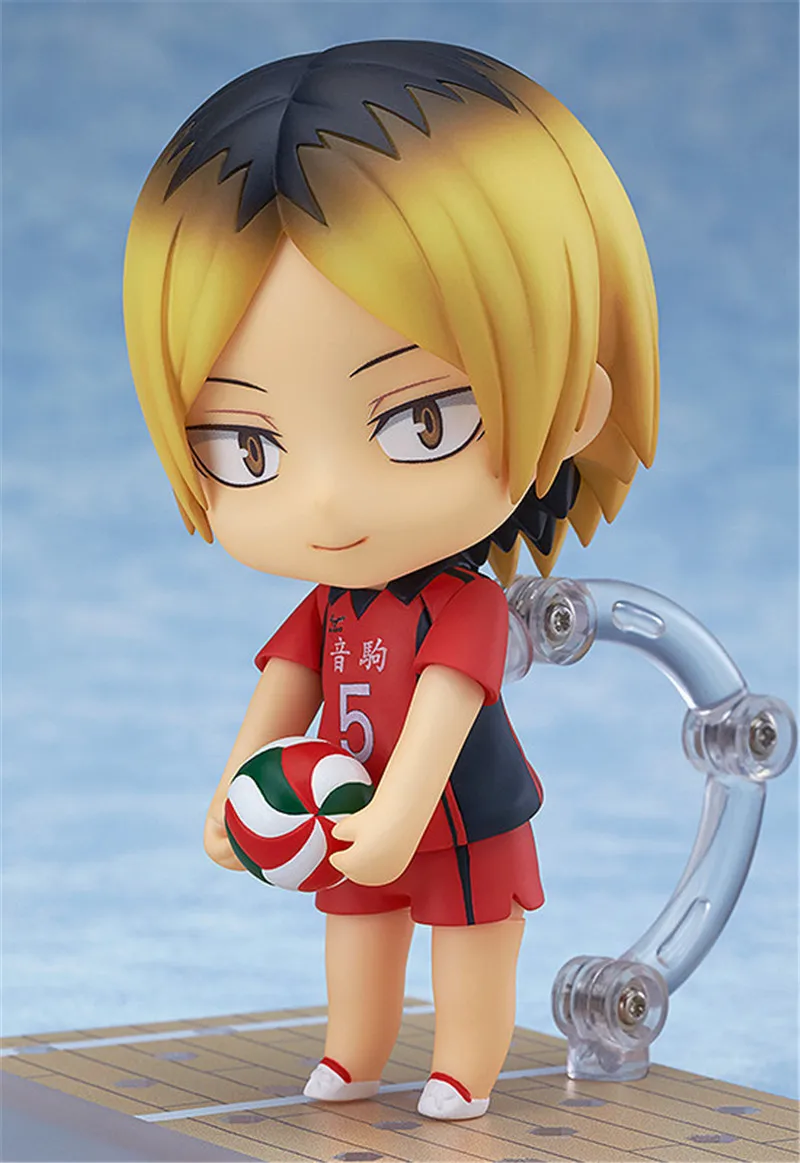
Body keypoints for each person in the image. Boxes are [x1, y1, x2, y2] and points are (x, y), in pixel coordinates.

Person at [123, 39, 658, 1120]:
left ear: (572, 406)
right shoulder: (326, 606)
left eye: (420, 421)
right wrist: (233, 792)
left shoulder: (462, 605)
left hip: (459, 810)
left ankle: (462, 1065)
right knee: (356, 930)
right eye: (246, 446)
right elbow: (281, 693)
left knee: (472, 935)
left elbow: (447, 709)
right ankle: (353, 1053)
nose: (325, 501)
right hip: (342, 796)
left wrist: (399, 811)